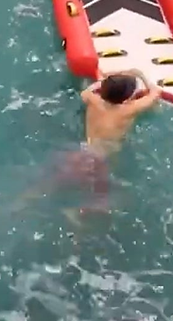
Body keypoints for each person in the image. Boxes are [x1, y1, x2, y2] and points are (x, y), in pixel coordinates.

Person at [51, 67, 162, 225]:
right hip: (103, 158)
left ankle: (61, 206)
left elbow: (86, 92)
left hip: (84, 150)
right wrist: (139, 74)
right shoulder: (127, 110)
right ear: (126, 98)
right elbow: (156, 92)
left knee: (65, 182)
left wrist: (107, 80)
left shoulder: (93, 100)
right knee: (100, 199)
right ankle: (75, 214)